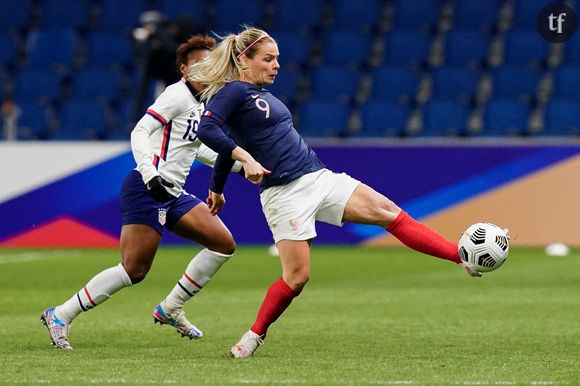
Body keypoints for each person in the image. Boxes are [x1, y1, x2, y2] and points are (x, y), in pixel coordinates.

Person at [188, 26, 482, 359]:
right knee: (297, 277)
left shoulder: (260, 94)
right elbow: (208, 130)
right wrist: (243, 160)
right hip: (284, 194)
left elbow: (228, 145)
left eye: (278, 59)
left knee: (389, 212)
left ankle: (462, 257)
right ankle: (254, 336)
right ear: (244, 59)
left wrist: (217, 188)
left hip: (318, 177)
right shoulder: (233, 92)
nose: (276, 65)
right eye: (269, 59)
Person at [41, 35, 241, 350]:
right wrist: (150, 175)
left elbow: (199, 148)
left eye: (210, 61)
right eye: (198, 62)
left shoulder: (202, 105)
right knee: (134, 269)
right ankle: (60, 314)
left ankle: (170, 308)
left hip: (174, 193)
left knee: (223, 244)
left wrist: (243, 165)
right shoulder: (176, 95)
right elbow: (140, 131)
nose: (206, 67)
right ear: (184, 69)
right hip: (147, 187)